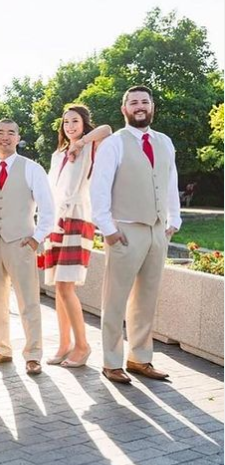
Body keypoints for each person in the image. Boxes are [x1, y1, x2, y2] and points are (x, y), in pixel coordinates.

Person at [90, 86, 181, 384]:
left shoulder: (164, 142)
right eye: (134, 102)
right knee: (115, 299)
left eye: (145, 102)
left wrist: (173, 221)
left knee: (147, 298)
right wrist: (109, 230)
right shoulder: (114, 143)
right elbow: (99, 189)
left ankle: (140, 358)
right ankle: (111, 362)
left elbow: (170, 181)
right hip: (124, 229)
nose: (140, 106)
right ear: (124, 109)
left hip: (157, 230)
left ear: (152, 107)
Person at [0, 119, 54, 376]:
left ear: (17, 137)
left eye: (11, 133)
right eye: (0, 133)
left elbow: (48, 208)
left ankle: (33, 354)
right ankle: (2, 349)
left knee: (29, 301)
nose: (5, 137)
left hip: (21, 242)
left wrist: (37, 238)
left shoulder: (32, 168)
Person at [43, 105, 111, 368]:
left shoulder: (91, 148)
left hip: (77, 217)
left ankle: (82, 345)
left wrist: (81, 142)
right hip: (56, 222)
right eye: (66, 122)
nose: (70, 126)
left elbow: (107, 129)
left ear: (84, 124)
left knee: (65, 286)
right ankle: (64, 344)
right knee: (58, 288)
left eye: (75, 121)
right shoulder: (57, 155)